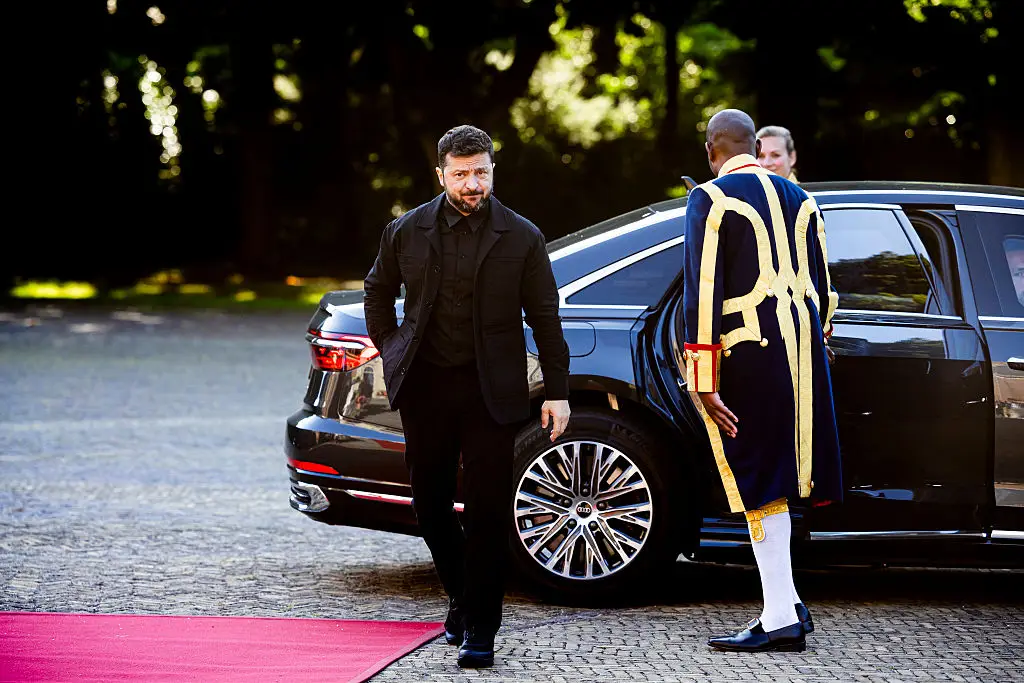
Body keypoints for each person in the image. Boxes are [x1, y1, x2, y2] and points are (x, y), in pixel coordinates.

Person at [363, 125, 571, 668]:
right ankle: (461, 593)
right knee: (429, 505)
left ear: (492, 170)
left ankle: (482, 627)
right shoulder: (406, 230)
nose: (472, 183)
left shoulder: (522, 237)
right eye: (461, 174)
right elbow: (377, 289)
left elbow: (546, 318)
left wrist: (558, 392)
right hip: (425, 387)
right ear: (441, 175)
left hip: (491, 392)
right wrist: (390, 346)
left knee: (487, 509)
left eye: (480, 172)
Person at [681, 109, 842, 652]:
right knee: (780, 474)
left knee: (758, 477)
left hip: (748, 353)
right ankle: (787, 604)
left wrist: (702, 377)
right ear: (754, 146)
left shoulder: (711, 198)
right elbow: (825, 292)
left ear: (712, 151)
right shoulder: (803, 198)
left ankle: (778, 617)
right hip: (804, 357)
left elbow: (702, 292)